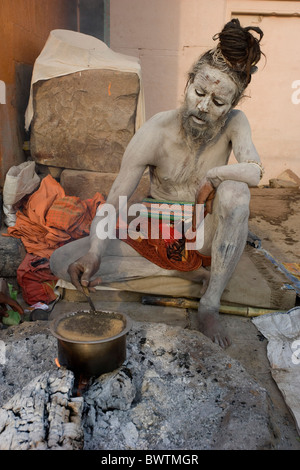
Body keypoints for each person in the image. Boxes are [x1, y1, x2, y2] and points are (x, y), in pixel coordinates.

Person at [50, 19, 264, 348]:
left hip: (202, 232)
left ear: (231, 106)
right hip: (158, 229)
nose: (204, 106)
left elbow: (254, 171)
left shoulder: (235, 124)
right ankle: (198, 272)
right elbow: (115, 203)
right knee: (61, 262)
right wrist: (94, 252)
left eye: (219, 103)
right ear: (188, 84)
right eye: (199, 92)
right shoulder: (155, 131)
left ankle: (209, 303)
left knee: (236, 193)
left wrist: (215, 176)